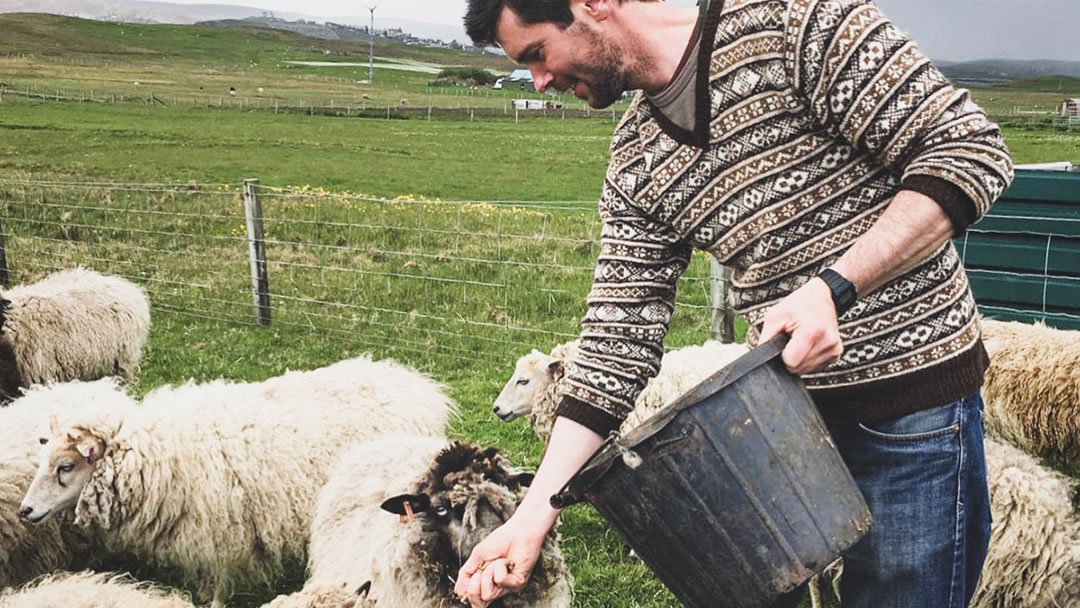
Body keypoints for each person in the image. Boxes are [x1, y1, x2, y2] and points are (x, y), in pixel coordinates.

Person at [455, 0, 1014, 606]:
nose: (539, 81)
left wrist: (834, 286)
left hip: (912, 413)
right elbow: (616, 342)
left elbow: (968, 150)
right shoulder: (637, 157)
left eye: (537, 54)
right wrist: (533, 516)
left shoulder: (795, 25)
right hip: (776, 427)